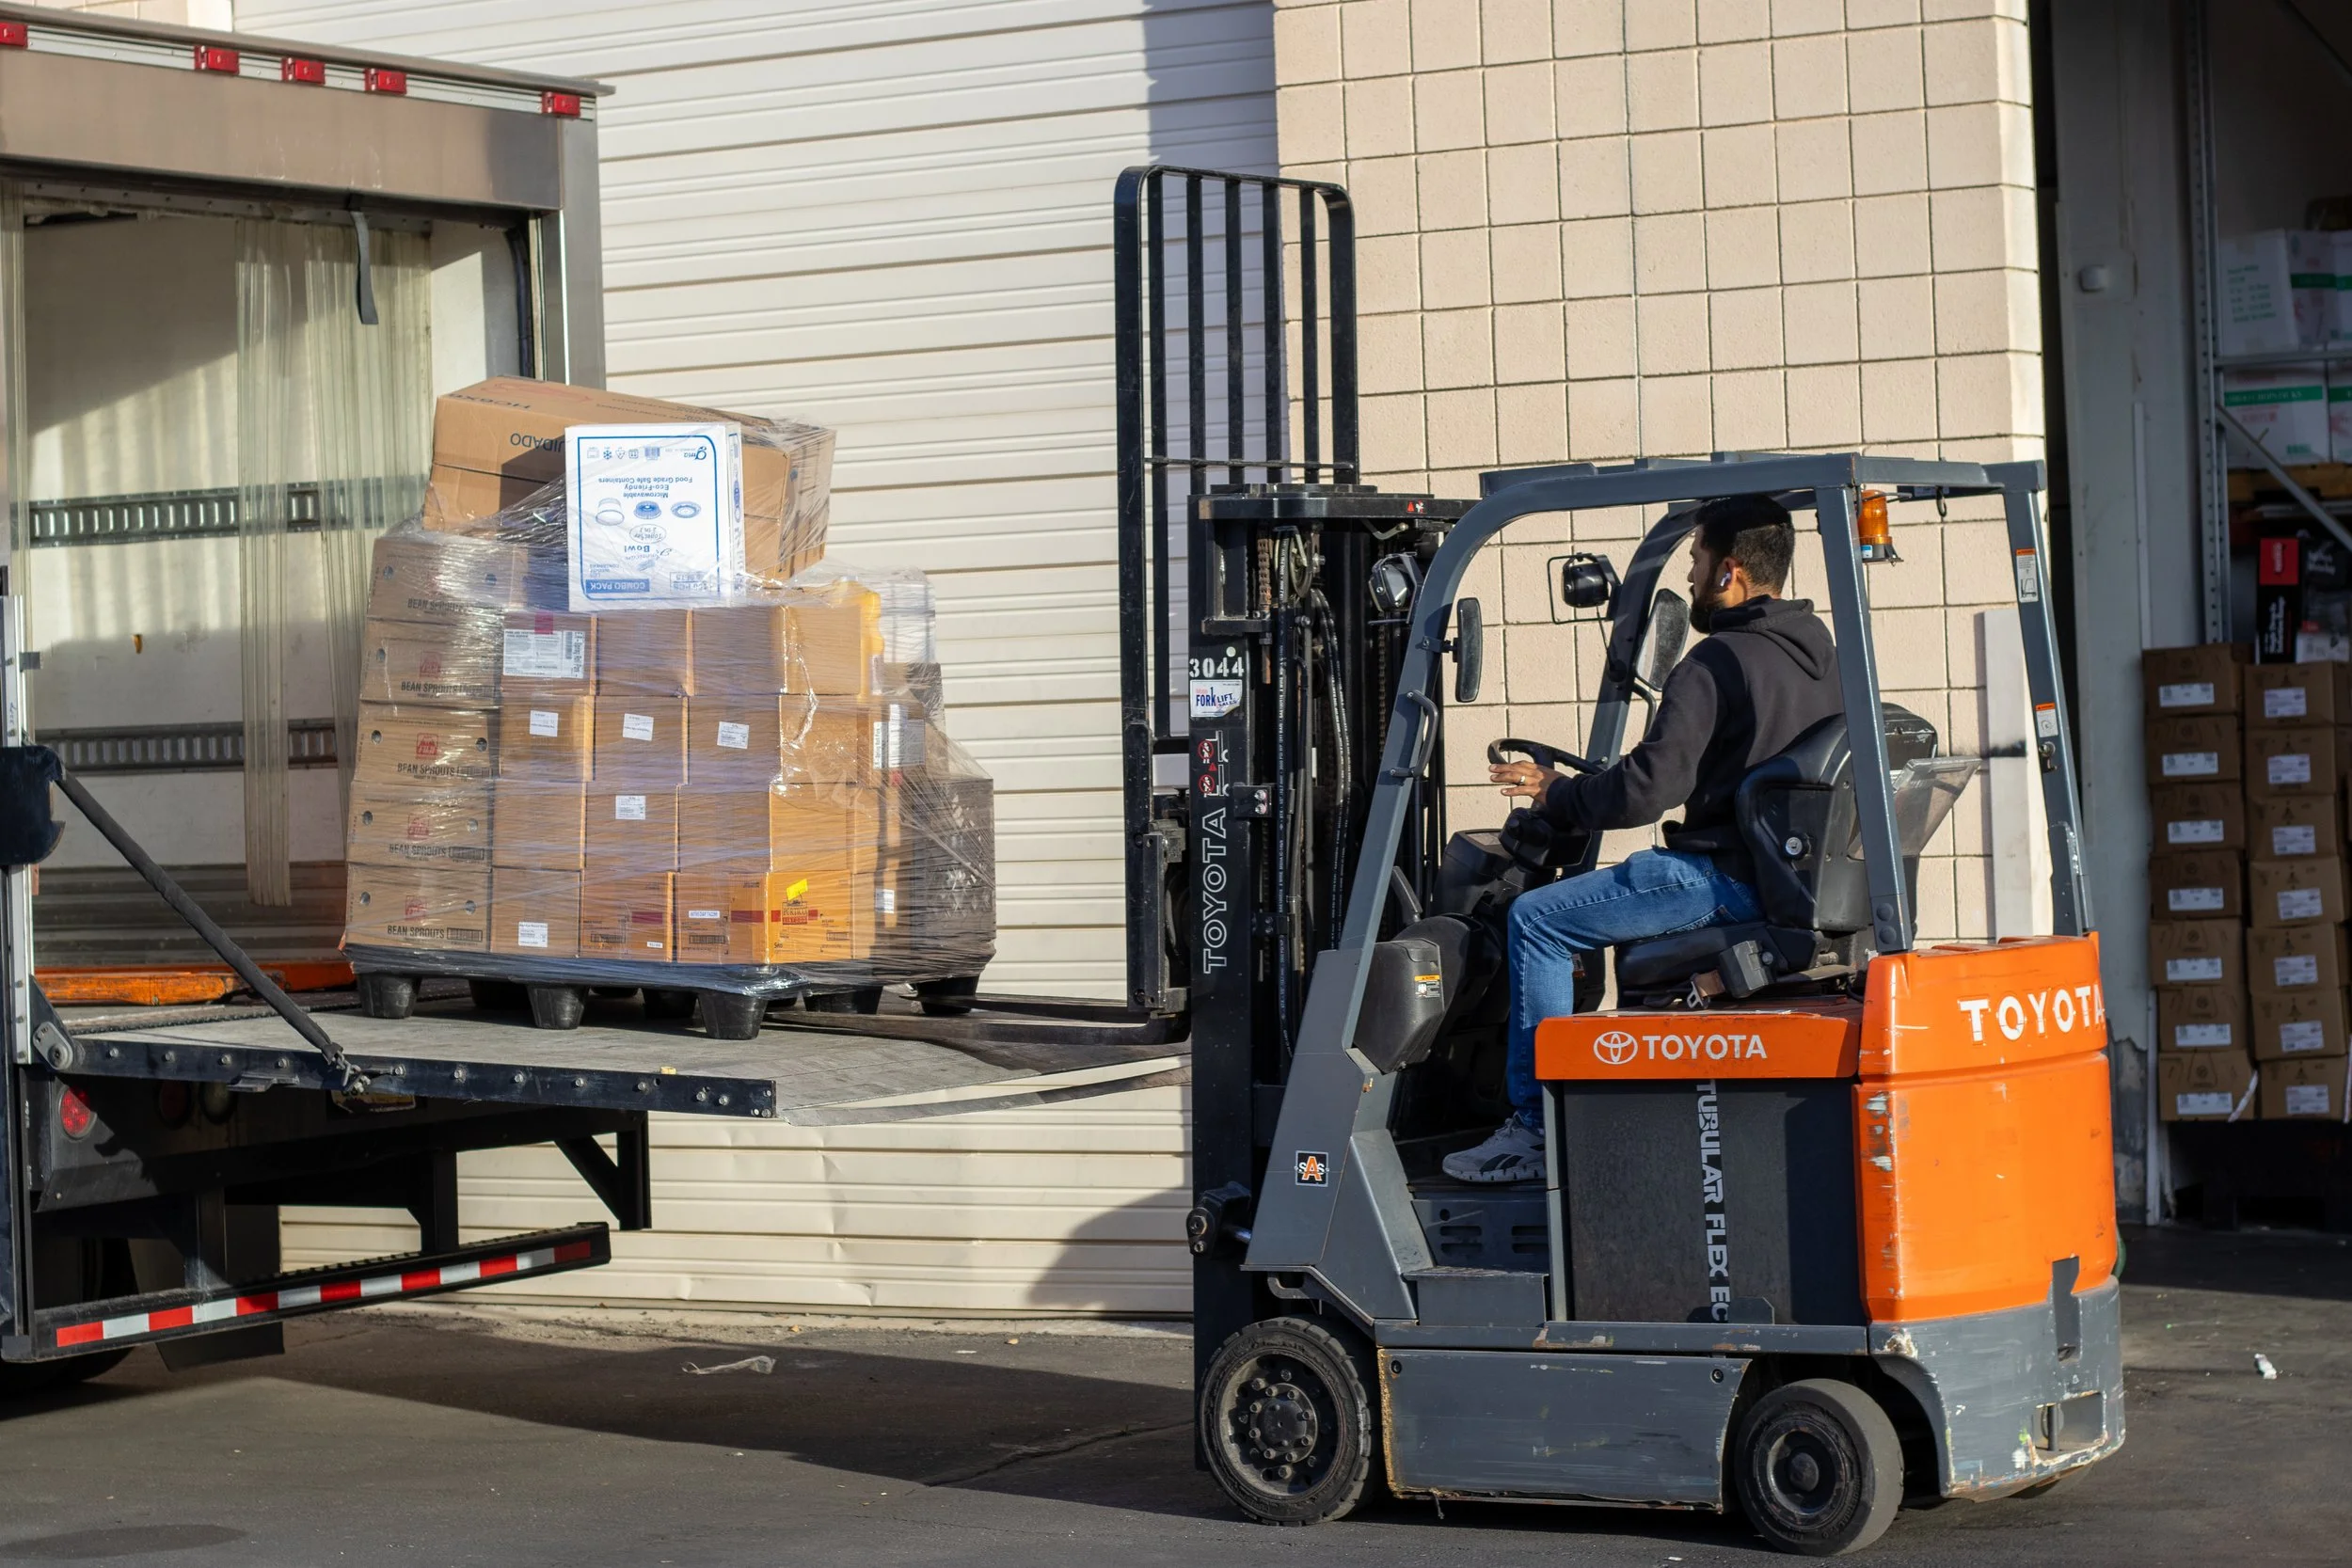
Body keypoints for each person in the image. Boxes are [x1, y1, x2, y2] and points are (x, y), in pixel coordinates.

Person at [1441, 493, 1845, 1183]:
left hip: (1721, 877)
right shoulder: (1822, 657)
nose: (1689, 578)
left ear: (1730, 572)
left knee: (1536, 919)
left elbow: (1646, 789)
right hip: (1788, 879)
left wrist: (1557, 793)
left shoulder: (1715, 662)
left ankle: (1534, 1129)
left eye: (1695, 561)